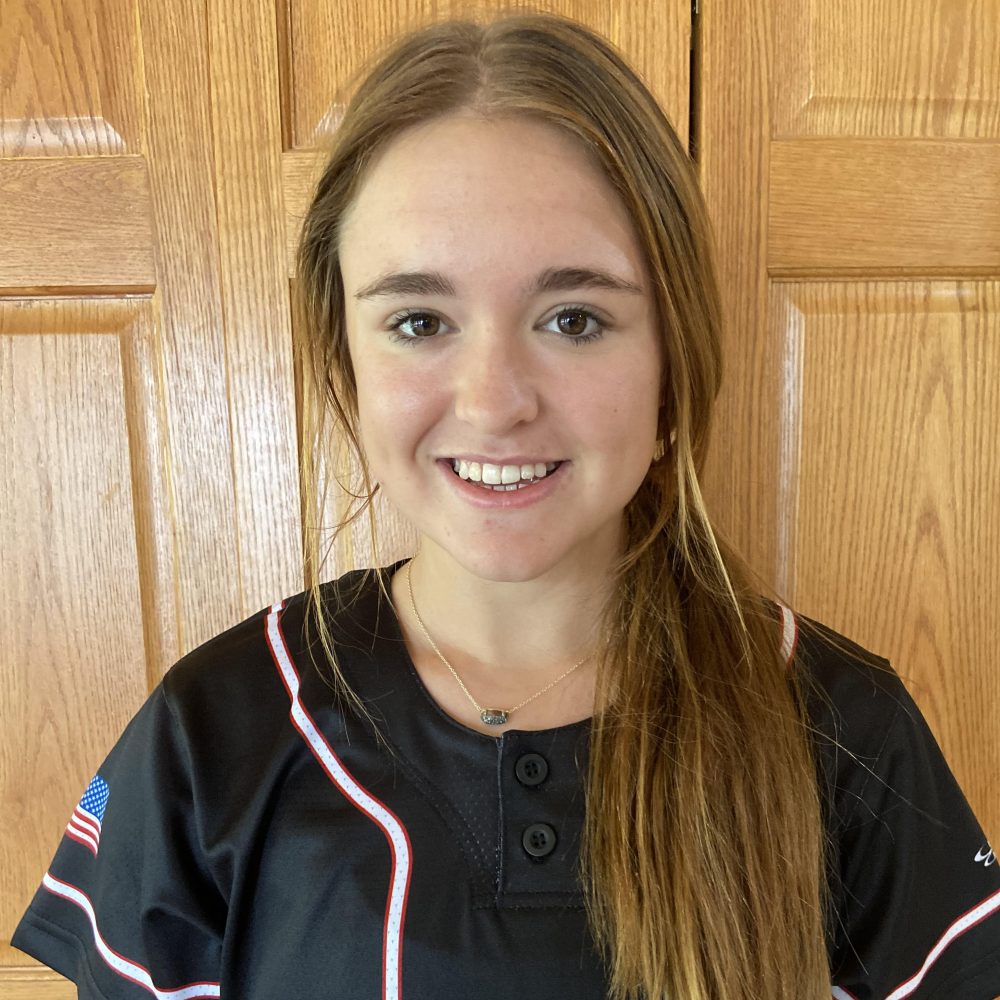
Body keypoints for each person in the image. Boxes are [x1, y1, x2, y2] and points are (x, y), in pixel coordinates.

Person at [12, 10, 1000, 1000]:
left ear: (673, 362)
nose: (494, 403)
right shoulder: (212, 732)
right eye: (419, 321)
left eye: (574, 318)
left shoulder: (843, 728)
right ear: (344, 361)